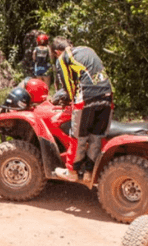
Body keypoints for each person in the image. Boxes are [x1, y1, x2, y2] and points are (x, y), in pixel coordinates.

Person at [51, 36, 113, 183]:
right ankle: (89, 173)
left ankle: (71, 171)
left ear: (56, 51)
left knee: (78, 136)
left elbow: (68, 86)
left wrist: (68, 98)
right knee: (96, 136)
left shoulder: (63, 57)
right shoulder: (87, 49)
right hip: (108, 96)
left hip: (87, 98)